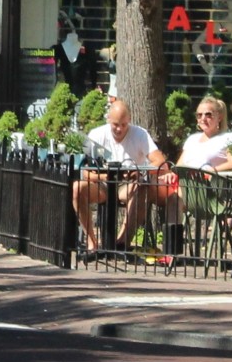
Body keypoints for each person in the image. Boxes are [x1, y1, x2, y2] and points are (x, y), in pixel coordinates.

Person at [72, 99, 169, 258]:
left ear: (129, 121)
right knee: (77, 188)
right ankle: (92, 244)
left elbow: (160, 162)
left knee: (141, 188)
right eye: (116, 124)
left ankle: (121, 243)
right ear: (108, 119)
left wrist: (138, 171)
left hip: (127, 185)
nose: (119, 129)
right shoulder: (96, 134)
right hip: (102, 184)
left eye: (124, 125)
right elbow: (86, 172)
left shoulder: (140, 134)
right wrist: (106, 175)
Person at [175, 96, 232, 173]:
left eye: (208, 114)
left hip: (211, 183)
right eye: (199, 115)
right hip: (187, 183)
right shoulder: (192, 139)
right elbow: (179, 166)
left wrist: (210, 171)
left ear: (219, 117)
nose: (203, 118)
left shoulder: (229, 138)